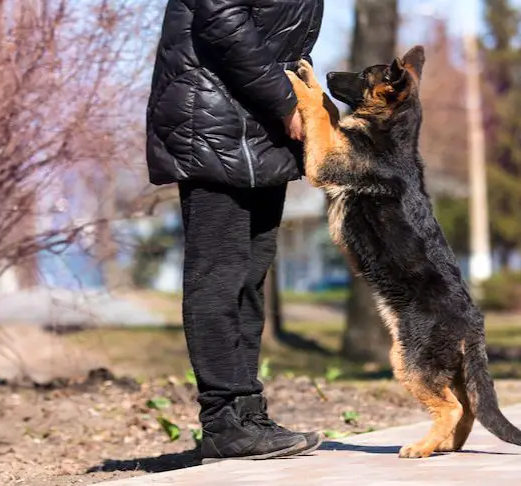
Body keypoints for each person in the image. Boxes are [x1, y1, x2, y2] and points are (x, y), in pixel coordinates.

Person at [146, 0, 324, 462]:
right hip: (213, 119)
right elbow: (222, 19)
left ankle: (247, 415)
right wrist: (287, 103)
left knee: (247, 280)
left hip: (258, 123)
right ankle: (223, 420)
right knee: (218, 276)